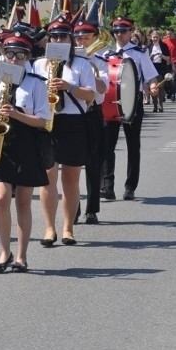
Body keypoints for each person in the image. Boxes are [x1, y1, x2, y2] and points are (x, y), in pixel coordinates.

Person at [0, 32, 50, 273]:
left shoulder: (36, 82)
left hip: (26, 142)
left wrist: (17, 114)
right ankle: (4, 251)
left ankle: (21, 256)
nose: (14, 59)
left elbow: (42, 120)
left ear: (28, 56)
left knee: (23, 202)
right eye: (10, 54)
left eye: (20, 55)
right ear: (3, 54)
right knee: (0, 199)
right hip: (1, 143)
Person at [33, 20, 96, 246]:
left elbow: (91, 96)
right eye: (54, 37)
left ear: (70, 40)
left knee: (71, 179)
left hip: (72, 122)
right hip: (47, 121)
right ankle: (49, 228)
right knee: (48, 178)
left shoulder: (80, 64)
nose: (58, 41)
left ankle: (68, 228)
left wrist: (69, 87)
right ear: (48, 40)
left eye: (63, 37)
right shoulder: (39, 65)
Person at [101, 17, 161, 201]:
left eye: (123, 31)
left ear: (130, 31)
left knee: (133, 145)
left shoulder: (139, 53)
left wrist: (152, 86)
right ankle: (108, 186)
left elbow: (150, 76)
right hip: (110, 103)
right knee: (107, 146)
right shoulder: (106, 54)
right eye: (116, 31)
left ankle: (130, 187)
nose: (119, 34)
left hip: (133, 103)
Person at [72, 21, 110, 224]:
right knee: (72, 164)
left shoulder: (99, 62)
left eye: (86, 38)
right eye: (78, 38)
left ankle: (92, 209)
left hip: (92, 112)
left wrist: (88, 68)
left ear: (95, 38)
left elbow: (102, 91)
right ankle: (74, 208)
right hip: (73, 115)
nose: (81, 41)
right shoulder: (68, 63)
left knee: (93, 162)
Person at [147, 30, 171, 112]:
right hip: (152, 67)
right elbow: (145, 60)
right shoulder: (149, 46)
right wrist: (151, 57)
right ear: (151, 37)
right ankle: (155, 106)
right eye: (153, 37)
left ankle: (160, 105)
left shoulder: (164, 46)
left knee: (160, 87)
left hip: (161, 68)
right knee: (153, 87)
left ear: (159, 37)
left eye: (156, 37)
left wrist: (162, 56)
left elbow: (168, 58)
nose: (155, 39)